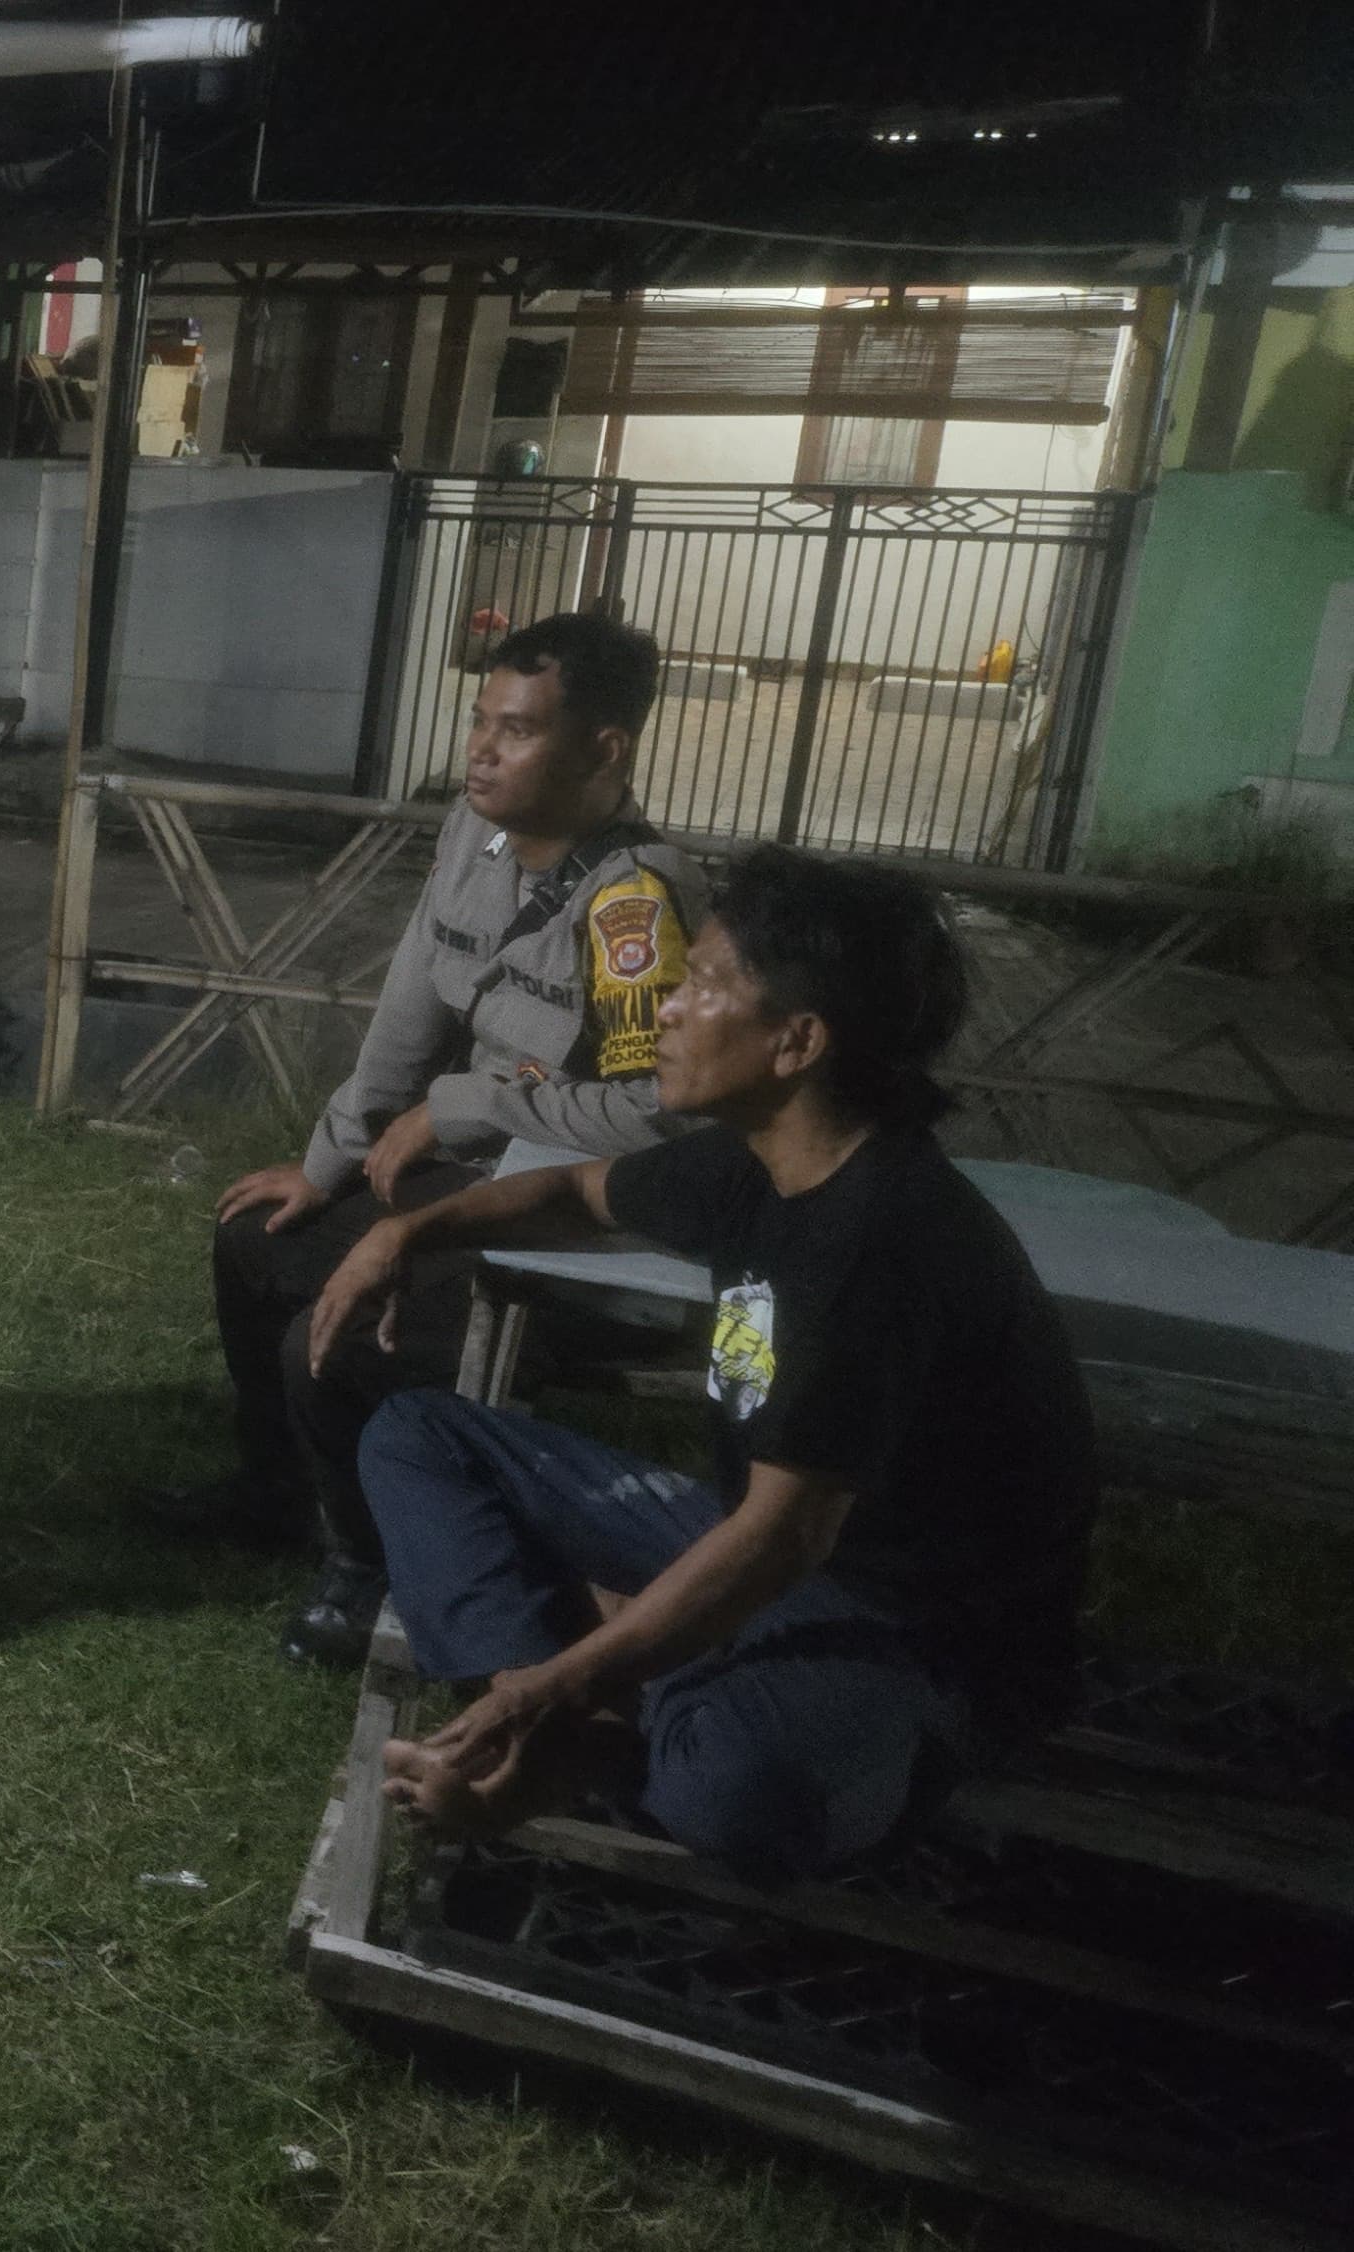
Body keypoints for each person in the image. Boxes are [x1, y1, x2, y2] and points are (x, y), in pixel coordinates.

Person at [312, 847, 1093, 1881]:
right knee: (419, 1435)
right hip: (753, 1547)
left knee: (739, 1790)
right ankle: (554, 1734)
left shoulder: (877, 1239)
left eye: (704, 984)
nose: (666, 1009)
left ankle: (575, 1721)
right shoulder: (758, 1160)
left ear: (796, 1041)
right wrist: (407, 1232)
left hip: (909, 1628)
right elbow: (574, 1192)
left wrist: (561, 1676)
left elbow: (783, 1539)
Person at [179, 612, 707, 1670]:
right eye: (479, 722)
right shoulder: (474, 836)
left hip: (579, 1231)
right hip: (470, 1183)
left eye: (517, 730)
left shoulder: (635, 906)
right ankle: (276, 1492)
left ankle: (368, 1565)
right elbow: (405, 1021)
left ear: (605, 749)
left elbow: (663, 1114)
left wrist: (473, 1104)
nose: (481, 751)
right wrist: (325, 1165)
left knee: (329, 1333)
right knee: (258, 1240)